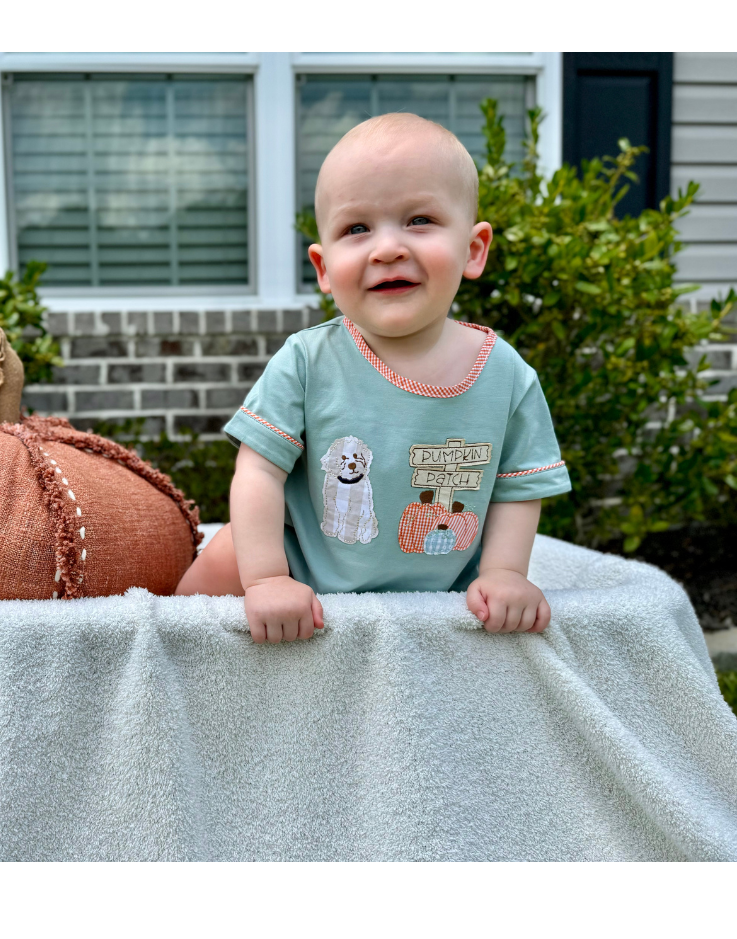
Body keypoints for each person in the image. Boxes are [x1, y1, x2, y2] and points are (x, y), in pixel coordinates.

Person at [175, 113, 571, 643]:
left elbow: (518, 486)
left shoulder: (506, 376)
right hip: (298, 559)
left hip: (441, 575)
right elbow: (259, 472)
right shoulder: (308, 360)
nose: (387, 248)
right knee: (211, 577)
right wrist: (266, 577)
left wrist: (503, 573)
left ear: (473, 250)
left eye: (419, 220)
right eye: (356, 229)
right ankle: (175, 655)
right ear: (323, 267)